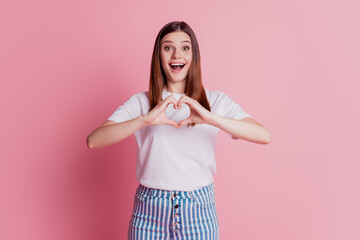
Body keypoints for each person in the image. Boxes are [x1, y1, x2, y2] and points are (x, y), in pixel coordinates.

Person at [87, 21, 271, 240]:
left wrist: (210, 117)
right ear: (159, 56)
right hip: (149, 212)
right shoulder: (141, 102)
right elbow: (94, 140)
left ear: (194, 56)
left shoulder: (214, 101)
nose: (176, 54)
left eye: (185, 47)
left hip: (199, 211)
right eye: (167, 47)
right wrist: (145, 120)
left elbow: (263, 135)